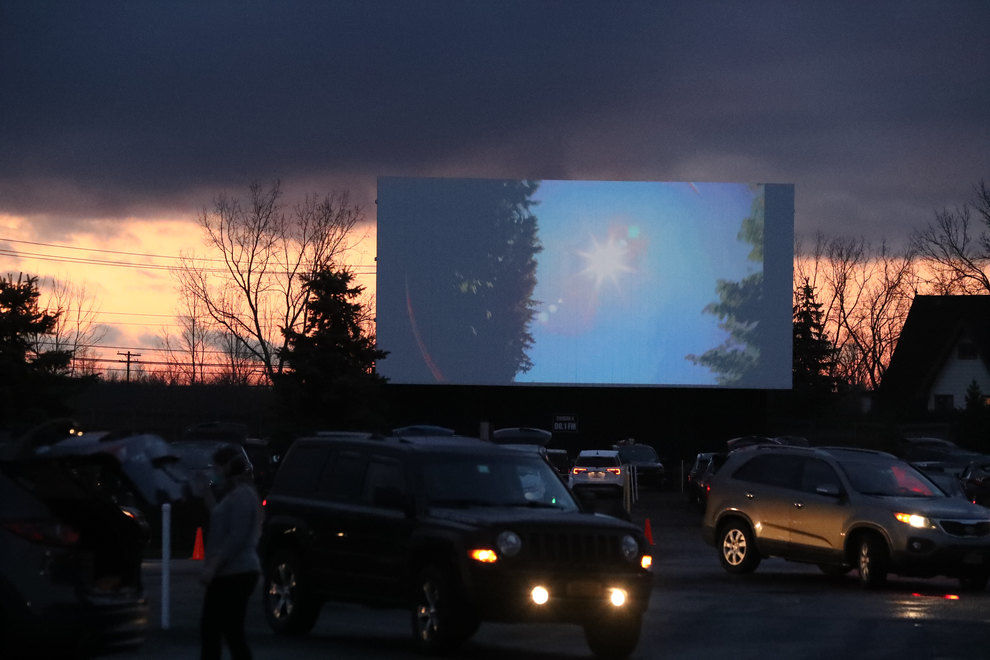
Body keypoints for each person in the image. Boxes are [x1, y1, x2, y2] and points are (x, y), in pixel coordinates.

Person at [199, 444, 262, 660]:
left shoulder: (244, 495)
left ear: (227, 467)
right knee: (219, 630)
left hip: (236, 572)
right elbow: (218, 516)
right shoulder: (233, 494)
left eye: (216, 467)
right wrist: (206, 493)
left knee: (225, 630)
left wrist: (213, 565)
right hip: (227, 573)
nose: (214, 472)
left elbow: (237, 536)